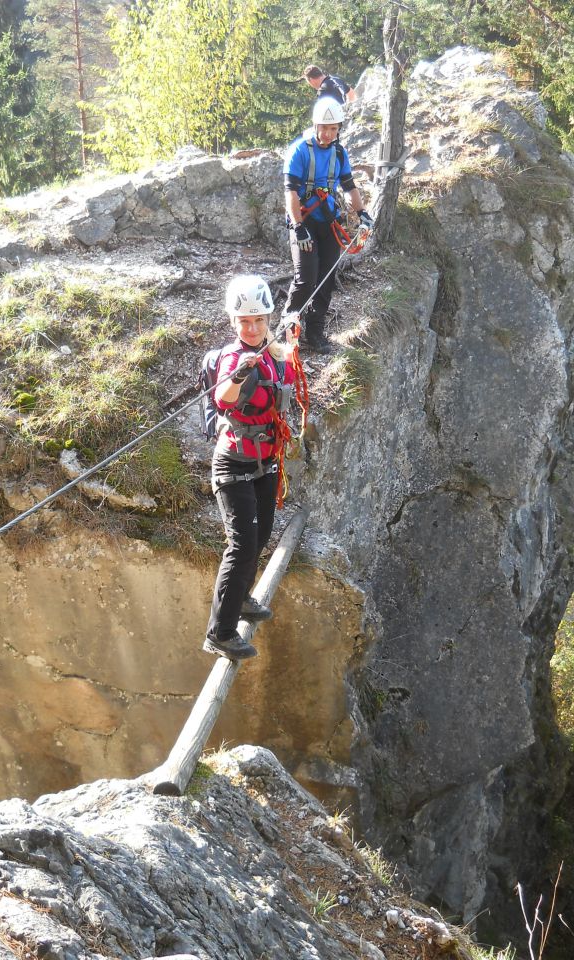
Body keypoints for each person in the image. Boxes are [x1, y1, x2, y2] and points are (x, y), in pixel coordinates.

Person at [203, 275, 297, 661]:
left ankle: (241, 599)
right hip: (234, 463)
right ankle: (220, 633)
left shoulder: (271, 351)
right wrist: (242, 372)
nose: (252, 328)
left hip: (266, 460)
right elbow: (224, 398)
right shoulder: (233, 357)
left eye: (259, 320)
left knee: (260, 539)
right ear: (233, 322)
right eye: (245, 322)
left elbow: (288, 361)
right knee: (241, 546)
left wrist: (287, 336)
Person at [282, 96, 372, 354]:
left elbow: (348, 186)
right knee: (305, 278)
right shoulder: (299, 150)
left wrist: (362, 213)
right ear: (315, 125)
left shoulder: (339, 152)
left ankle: (315, 332)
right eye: (325, 128)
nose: (329, 133)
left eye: (334, 129)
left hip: (328, 220)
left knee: (326, 278)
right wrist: (298, 227)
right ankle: (289, 329)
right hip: (305, 221)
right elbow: (291, 192)